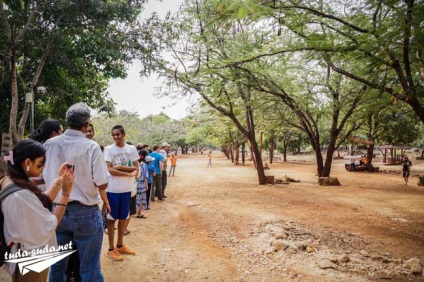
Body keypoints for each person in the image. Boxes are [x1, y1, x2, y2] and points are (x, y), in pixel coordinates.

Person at [43, 102, 109, 282]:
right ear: (87, 124)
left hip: (57, 211)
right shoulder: (91, 147)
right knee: (90, 268)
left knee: (57, 266)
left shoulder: (50, 144)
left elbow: (43, 174)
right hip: (86, 212)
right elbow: (102, 182)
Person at [1, 139, 74, 282]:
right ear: (27, 163)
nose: (44, 167)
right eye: (40, 164)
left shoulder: (9, 181)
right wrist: (65, 194)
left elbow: (39, 202)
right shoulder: (21, 196)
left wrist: (58, 181)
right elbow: (51, 223)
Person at [103, 125, 139, 261]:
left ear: (124, 134)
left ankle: (120, 245)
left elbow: (137, 168)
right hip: (112, 190)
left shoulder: (131, 149)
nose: (115, 137)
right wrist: (129, 173)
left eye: (118, 134)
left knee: (123, 218)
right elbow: (110, 170)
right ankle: (111, 249)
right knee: (111, 220)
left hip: (127, 190)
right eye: (113, 135)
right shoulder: (108, 149)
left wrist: (119, 167)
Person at [135, 150, 148, 218]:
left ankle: (133, 212)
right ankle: (139, 213)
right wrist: (146, 184)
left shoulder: (136, 163)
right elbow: (145, 176)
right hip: (141, 183)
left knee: (135, 198)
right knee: (140, 199)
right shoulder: (144, 164)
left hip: (135, 183)